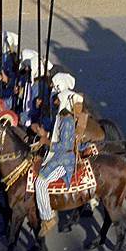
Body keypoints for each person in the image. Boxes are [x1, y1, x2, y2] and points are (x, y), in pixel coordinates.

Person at [36, 89, 87, 236]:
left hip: (63, 160)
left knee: (40, 182)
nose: (55, 102)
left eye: (58, 99)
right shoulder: (62, 118)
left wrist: (46, 142)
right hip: (57, 156)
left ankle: (48, 217)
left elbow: (65, 146)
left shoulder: (67, 121)